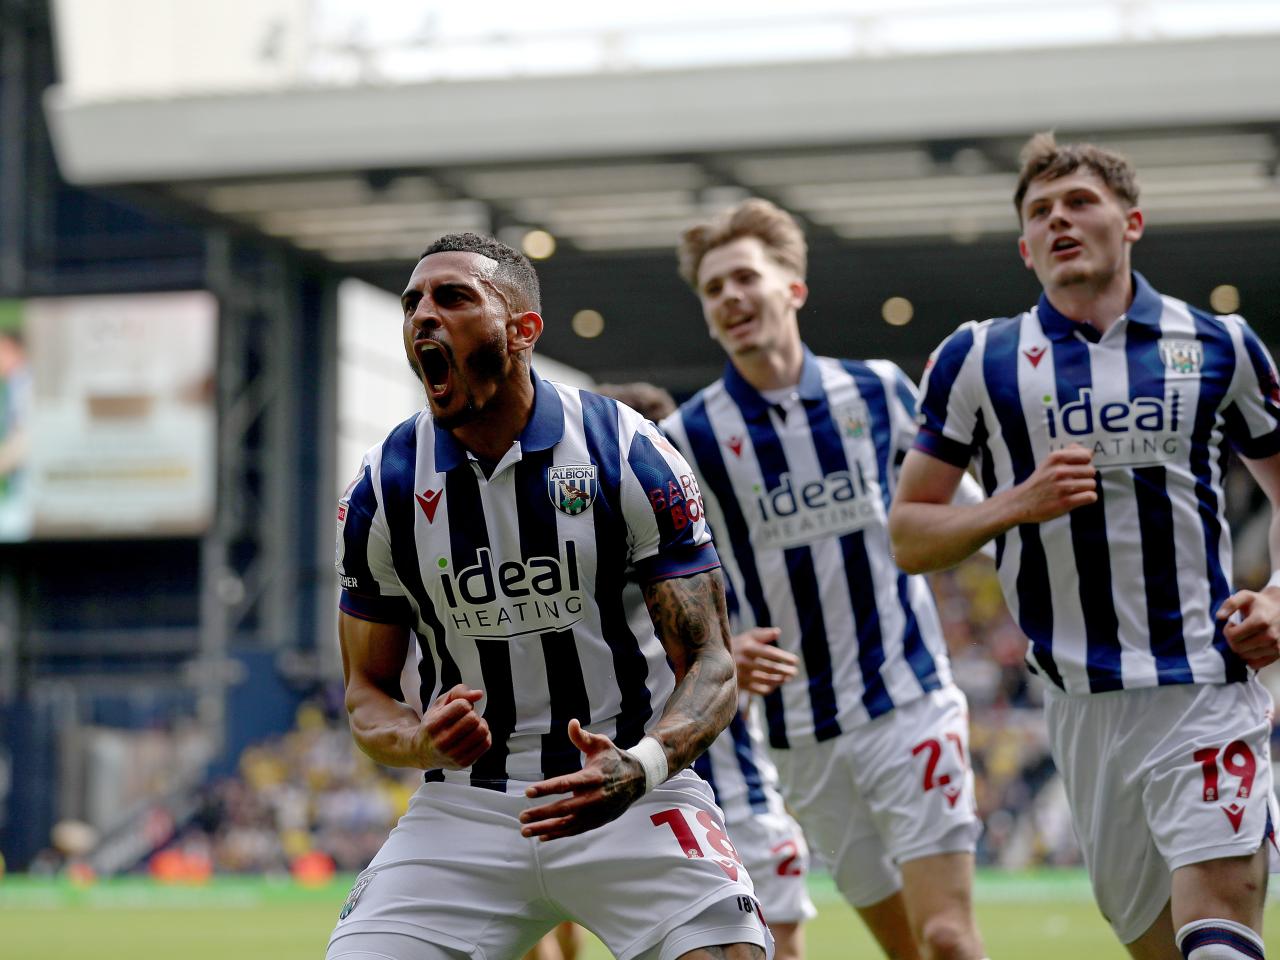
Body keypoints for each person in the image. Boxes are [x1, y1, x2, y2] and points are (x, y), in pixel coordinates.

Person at [889, 132, 1280, 960]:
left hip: (1204, 686)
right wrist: (1012, 506)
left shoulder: (1220, 344)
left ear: (1131, 220)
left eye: (1079, 203)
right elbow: (910, 535)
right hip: (1079, 708)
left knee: (1219, 927)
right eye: (1040, 211)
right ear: (1024, 247)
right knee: (1157, 945)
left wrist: (1279, 596)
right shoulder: (978, 359)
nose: (1058, 219)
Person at [329, 233, 770, 960]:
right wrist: (421, 738)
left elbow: (712, 664)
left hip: (632, 796)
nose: (422, 317)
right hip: (463, 811)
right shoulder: (384, 488)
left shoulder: (626, 452)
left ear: (523, 329)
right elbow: (365, 695)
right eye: (413, 303)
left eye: (453, 297)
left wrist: (643, 766)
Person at [662, 200, 988, 960]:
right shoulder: (688, 440)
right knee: (907, 948)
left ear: (793, 290)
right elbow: (654, 585)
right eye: (714, 289)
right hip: (799, 736)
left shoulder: (876, 392)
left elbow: (954, 519)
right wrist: (714, 650)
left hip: (909, 701)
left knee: (946, 936)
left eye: (746, 277)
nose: (731, 298)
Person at [599, 381, 817, 960]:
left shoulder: (716, 564)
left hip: (739, 797)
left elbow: (775, 651)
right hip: (642, 800)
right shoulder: (593, 576)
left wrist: (722, 660)